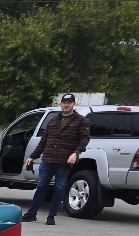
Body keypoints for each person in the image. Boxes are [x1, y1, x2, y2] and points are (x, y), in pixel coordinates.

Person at [23, 94, 91, 225]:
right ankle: (31, 214)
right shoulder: (53, 121)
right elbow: (43, 142)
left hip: (64, 162)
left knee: (59, 188)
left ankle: (51, 216)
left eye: (69, 102)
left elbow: (84, 139)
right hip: (47, 160)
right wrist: (33, 156)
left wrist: (76, 153)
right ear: (60, 104)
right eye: (64, 102)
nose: (66, 105)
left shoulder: (81, 121)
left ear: (74, 104)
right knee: (41, 186)